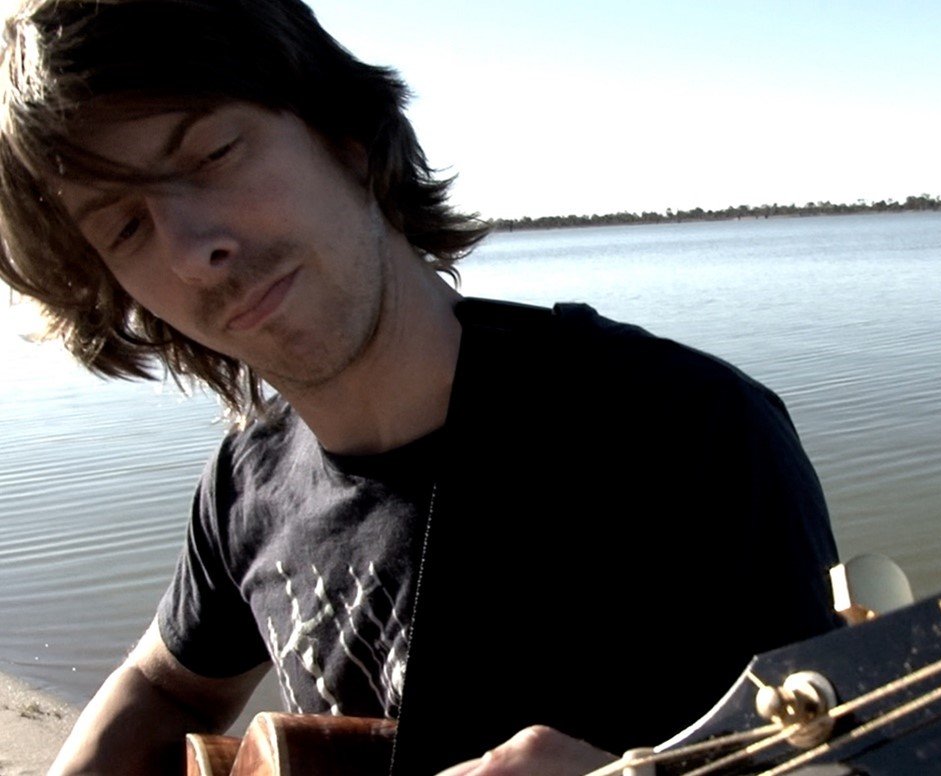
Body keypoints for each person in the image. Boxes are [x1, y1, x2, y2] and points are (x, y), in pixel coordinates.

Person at [0, 0, 840, 774]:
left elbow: (844, 748)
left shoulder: (684, 428)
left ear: (343, 135)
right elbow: (165, 683)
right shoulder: (245, 487)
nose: (192, 250)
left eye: (213, 155)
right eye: (126, 226)